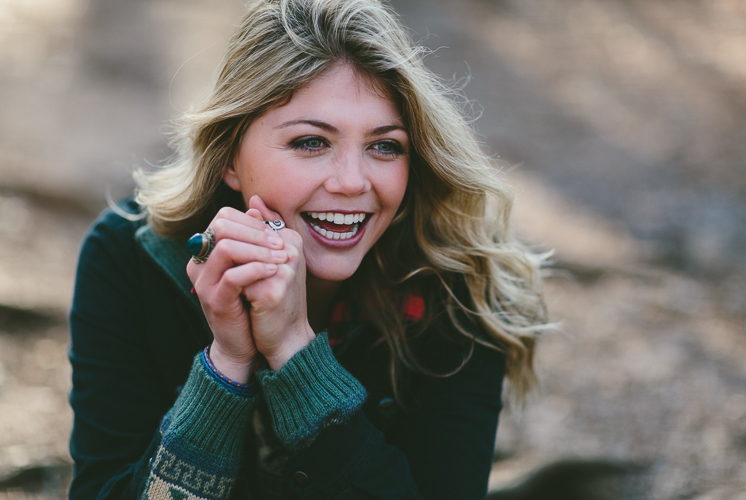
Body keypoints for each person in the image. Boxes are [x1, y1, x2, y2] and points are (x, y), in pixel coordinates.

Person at [68, 0, 549, 498]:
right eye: (311, 142)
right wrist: (226, 364)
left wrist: (295, 353)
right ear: (230, 157)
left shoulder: (456, 283)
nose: (352, 182)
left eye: (385, 146)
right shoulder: (129, 257)